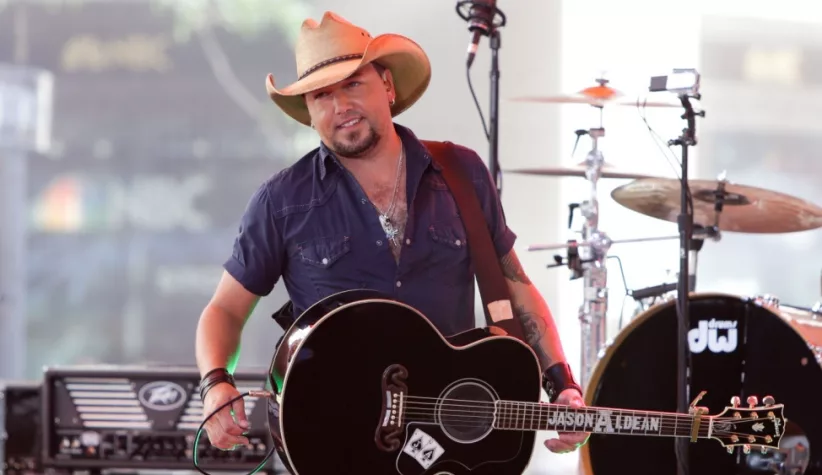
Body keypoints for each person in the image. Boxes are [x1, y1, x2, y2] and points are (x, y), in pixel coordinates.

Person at [195, 11, 589, 457]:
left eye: (353, 84)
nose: (341, 106)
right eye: (322, 95)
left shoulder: (461, 173)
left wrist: (563, 385)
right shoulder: (282, 200)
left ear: (387, 85)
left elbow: (516, 288)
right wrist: (215, 383)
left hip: (448, 447)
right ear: (308, 111)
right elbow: (224, 310)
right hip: (330, 441)